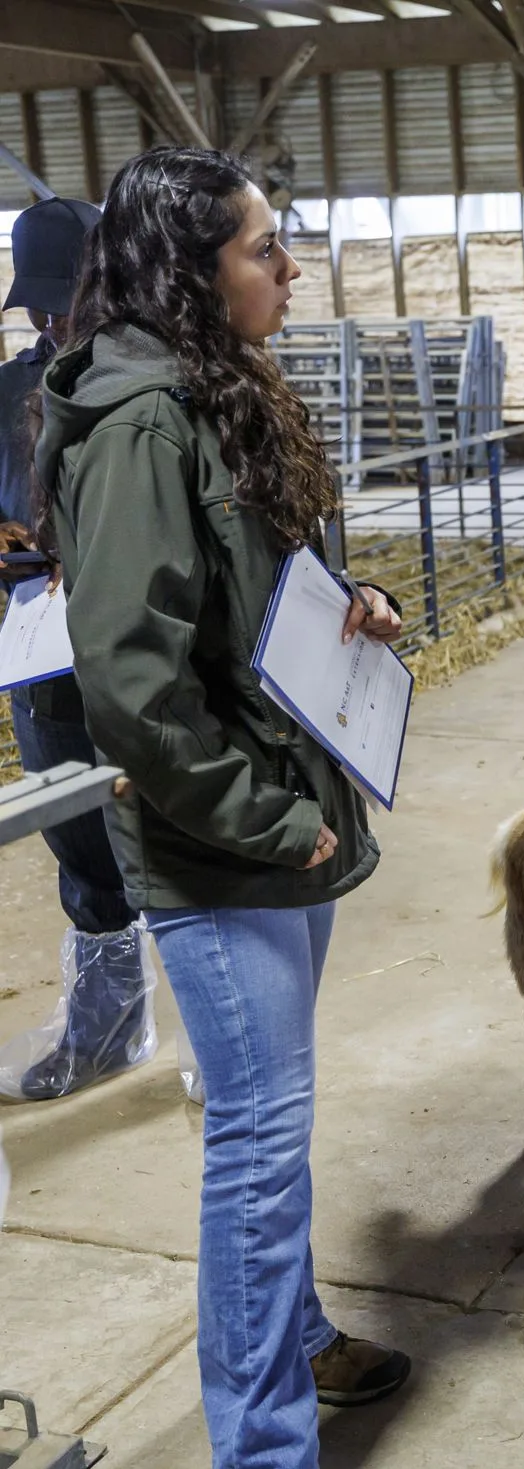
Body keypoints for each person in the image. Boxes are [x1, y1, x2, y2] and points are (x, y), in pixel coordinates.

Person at [37, 147, 412, 1468]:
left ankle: (295, 1334)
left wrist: (346, 600)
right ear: (195, 270)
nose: (291, 265)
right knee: (255, 1143)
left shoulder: (219, 388)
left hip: (276, 811)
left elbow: (254, 583)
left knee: (272, 1112)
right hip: (222, 840)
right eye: (266, 247)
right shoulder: (141, 422)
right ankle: (263, 1445)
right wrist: (267, 816)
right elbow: (131, 685)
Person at [0, 196, 151, 1103]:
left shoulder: (158, 383)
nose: (54, 321)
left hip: (148, 650)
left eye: (71, 300)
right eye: (41, 307)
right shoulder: (4, 392)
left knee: (178, 832)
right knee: (83, 842)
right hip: (44, 657)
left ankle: (226, 1040)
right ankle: (105, 1031)